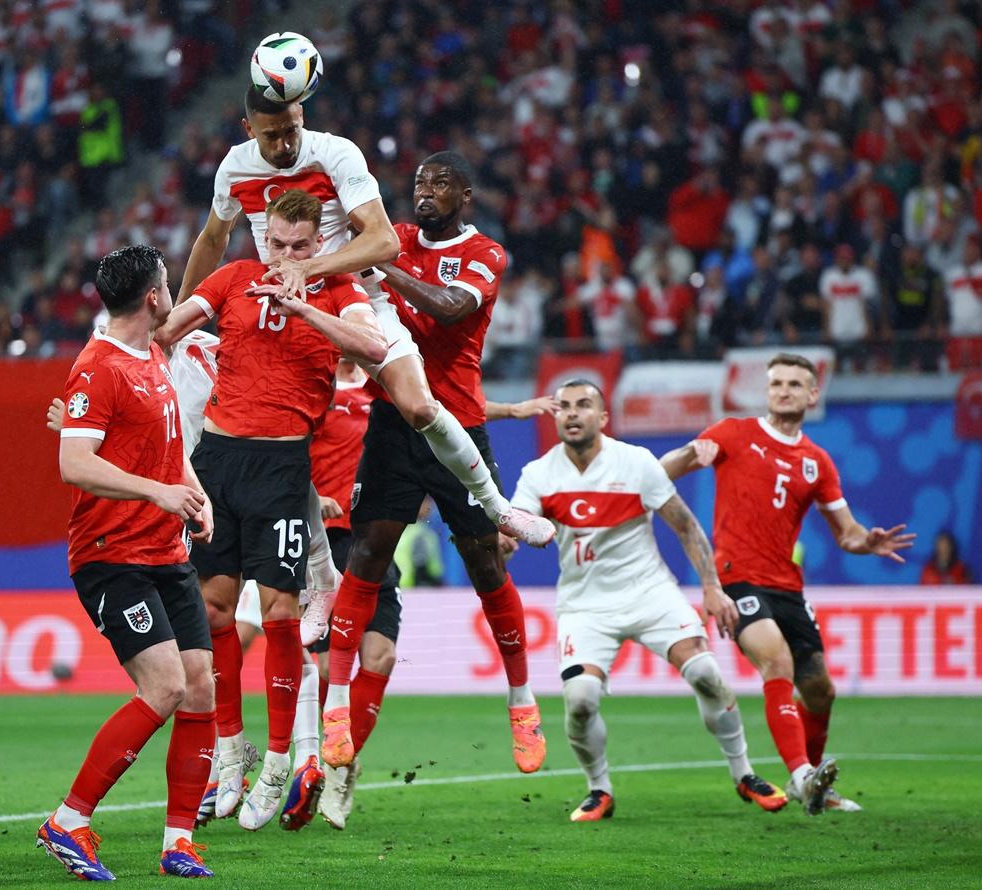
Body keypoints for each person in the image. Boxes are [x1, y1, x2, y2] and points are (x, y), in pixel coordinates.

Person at [178, 87, 553, 550]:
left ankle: (499, 509)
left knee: (419, 405)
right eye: (270, 136)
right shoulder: (235, 167)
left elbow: (384, 243)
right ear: (247, 129)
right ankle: (321, 583)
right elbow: (212, 239)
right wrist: (182, 316)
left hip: (356, 297)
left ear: (302, 114)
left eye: (291, 131)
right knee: (282, 439)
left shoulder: (335, 153)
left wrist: (307, 267)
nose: (283, 146)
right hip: (286, 306)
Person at [156, 189, 386, 832]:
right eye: (276, 243)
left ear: (319, 243)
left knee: (283, 612)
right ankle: (231, 754)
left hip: (283, 471)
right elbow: (169, 332)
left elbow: (370, 351)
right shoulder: (232, 278)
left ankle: (280, 763)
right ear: (263, 237)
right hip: (220, 462)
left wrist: (302, 306)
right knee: (212, 610)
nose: (285, 254)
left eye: (299, 245)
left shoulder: (339, 290)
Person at [320, 152, 548, 776]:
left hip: (459, 425)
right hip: (393, 422)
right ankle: (336, 702)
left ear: (465, 195)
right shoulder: (390, 236)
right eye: (420, 182)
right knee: (367, 553)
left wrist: (384, 265)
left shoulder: (486, 255)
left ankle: (522, 701)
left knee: (484, 562)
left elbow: (450, 308)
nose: (426, 192)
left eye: (440, 184)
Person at [512, 380, 787, 822]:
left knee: (706, 674)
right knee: (580, 700)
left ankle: (744, 772)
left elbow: (684, 524)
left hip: (650, 592)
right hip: (585, 605)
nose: (572, 413)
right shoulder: (538, 475)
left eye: (584, 405)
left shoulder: (636, 463)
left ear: (603, 418)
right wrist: (506, 543)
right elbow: (518, 527)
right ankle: (598, 788)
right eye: (563, 407)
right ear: (555, 416)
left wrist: (711, 587)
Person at [661, 352, 915, 814]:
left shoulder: (817, 462)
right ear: (768, 390)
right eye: (777, 383)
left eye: (795, 384)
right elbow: (663, 472)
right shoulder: (733, 433)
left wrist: (868, 541)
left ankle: (813, 784)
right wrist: (685, 455)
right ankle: (800, 774)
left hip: (787, 587)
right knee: (776, 660)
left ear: (812, 394)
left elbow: (848, 534)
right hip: (737, 579)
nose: (783, 391)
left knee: (820, 690)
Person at [38, 244, 217, 880]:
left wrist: (192, 494)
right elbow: (73, 463)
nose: (171, 291)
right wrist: (158, 492)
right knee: (165, 686)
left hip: (166, 551)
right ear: (153, 297)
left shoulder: (153, 355)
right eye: (168, 283)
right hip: (112, 556)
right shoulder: (98, 366)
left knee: (201, 690)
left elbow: (165, 445)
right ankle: (68, 822)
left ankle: (178, 841)